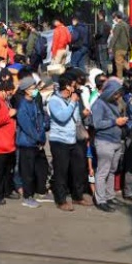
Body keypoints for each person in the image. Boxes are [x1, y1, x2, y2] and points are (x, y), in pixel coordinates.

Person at [48, 74, 92, 212]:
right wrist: (73, 102)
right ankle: (61, 200)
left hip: (73, 139)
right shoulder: (54, 100)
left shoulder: (74, 100)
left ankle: (77, 196)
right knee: (61, 171)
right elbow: (62, 117)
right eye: (74, 85)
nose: (76, 88)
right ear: (67, 87)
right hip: (59, 141)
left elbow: (77, 119)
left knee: (78, 169)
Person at [91, 78, 128, 213]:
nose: (118, 96)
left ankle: (109, 196)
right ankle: (100, 199)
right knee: (103, 172)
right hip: (104, 141)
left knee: (112, 171)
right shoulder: (98, 104)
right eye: (116, 93)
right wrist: (115, 122)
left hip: (116, 141)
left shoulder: (113, 103)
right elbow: (97, 124)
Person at [15, 77, 50, 209]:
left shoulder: (34, 102)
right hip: (27, 143)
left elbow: (41, 118)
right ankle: (27, 197)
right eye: (32, 88)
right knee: (27, 172)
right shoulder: (23, 107)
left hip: (37, 142)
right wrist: (39, 138)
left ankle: (41, 191)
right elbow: (28, 127)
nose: (35, 90)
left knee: (41, 168)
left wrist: (42, 136)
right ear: (26, 90)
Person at [109, 12, 132, 79]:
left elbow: (114, 37)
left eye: (114, 17)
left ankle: (120, 79)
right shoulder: (126, 25)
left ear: (116, 17)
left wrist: (110, 47)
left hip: (118, 47)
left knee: (118, 65)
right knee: (123, 62)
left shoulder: (118, 26)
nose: (114, 19)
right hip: (125, 47)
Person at [95, 10, 112, 74]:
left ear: (100, 15)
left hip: (100, 43)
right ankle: (105, 73)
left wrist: (95, 36)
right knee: (105, 59)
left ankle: (103, 73)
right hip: (105, 42)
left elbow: (100, 33)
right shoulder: (107, 24)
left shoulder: (101, 23)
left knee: (101, 60)